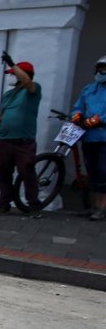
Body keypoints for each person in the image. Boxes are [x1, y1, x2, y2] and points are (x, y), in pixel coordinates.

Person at [0, 53, 41, 215]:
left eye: (14, 74)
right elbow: (0, 116)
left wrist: (12, 64)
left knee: (27, 172)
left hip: (23, 141)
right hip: (4, 140)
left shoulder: (33, 90)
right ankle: (4, 203)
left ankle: (33, 204)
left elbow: (28, 82)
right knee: (3, 173)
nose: (11, 77)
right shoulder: (8, 95)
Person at [70, 55, 106, 220]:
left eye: (105, 69)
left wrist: (97, 120)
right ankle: (93, 206)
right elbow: (79, 105)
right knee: (92, 171)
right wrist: (77, 115)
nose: (102, 71)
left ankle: (102, 207)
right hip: (89, 137)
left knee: (103, 172)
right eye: (100, 68)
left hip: (103, 137)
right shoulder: (89, 88)